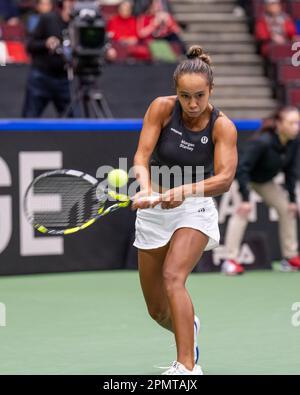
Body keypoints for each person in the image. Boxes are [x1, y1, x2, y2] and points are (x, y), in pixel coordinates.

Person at [131, 45, 238, 375]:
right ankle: (187, 324)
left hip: (195, 208)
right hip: (154, 210)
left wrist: (183, 191)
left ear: (211, 91)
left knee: (173, 278)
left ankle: (187, 367)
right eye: (185, 96)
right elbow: (140, 158)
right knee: (156, 309)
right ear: (175, 92)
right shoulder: (161, 109)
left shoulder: (223, 128)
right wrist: (147, 188)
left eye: (199, 96)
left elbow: (224, 179)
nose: (192, 104)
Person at [222, 106, 300, 276]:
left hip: (264, 182)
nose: (296, 126)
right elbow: (242, 168)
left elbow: (291, 172)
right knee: (242, 212)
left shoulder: (293, 142)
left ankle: (290, 257)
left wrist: (293, 200)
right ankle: (230, 260)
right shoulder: (262, 142)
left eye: (297, 122)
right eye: (292, 123)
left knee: (287, 210)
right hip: (244, 178)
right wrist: (244, 198)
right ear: (279, 124)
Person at [22, 0, 74, 117]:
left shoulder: (79, 24)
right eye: (70, 1)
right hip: (41, 78)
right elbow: (30, 46)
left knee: (72, 121)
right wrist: (45, 43)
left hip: (64, 79)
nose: (72, 4)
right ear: (63, 3)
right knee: (29, 119)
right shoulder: (48, 19)